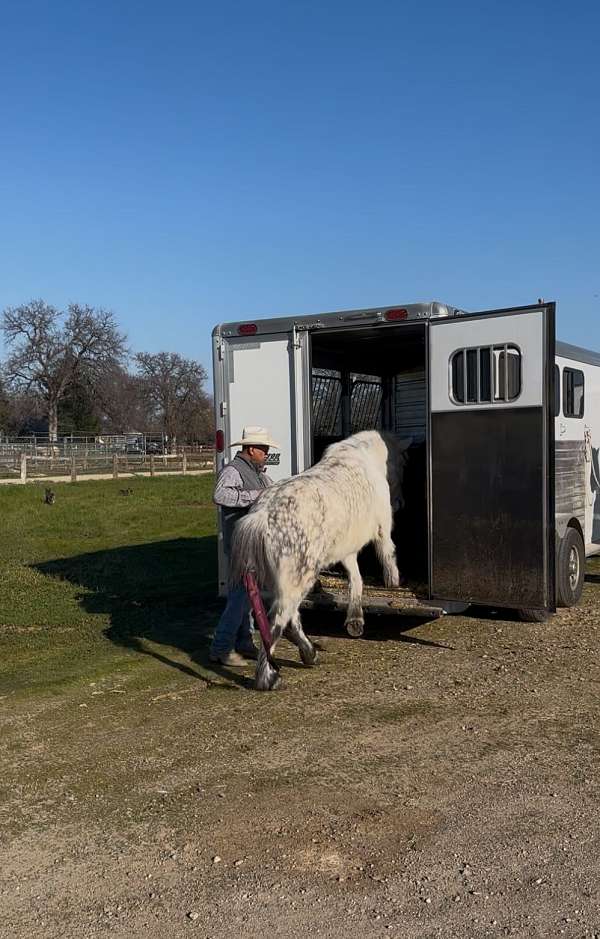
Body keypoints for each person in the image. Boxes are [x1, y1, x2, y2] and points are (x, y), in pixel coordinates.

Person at [209, 425, 280, 666]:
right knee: (240, 597)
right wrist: (256, 496)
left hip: (251, 546)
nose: (267, 453)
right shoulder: (233, 471)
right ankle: (221, 647)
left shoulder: (259, 473)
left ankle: (244, 641)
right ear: (252, 449)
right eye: (264, 449)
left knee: (248, 597)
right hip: (240, 545)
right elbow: (220, 496)